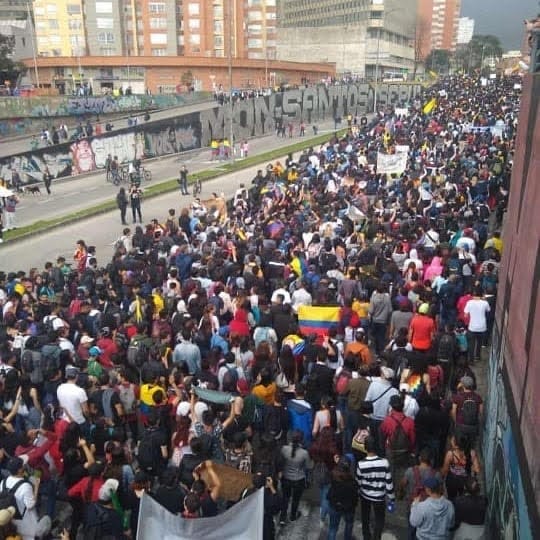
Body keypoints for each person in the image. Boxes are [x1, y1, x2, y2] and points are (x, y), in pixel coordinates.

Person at [356, 435, 395, 540]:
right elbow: (389, 482)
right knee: (379, 520)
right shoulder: (384, 462)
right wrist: (391, 498)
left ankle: (366, 537)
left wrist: (359, 493)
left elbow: (358, 483)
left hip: (365, 496)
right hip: (380, 497)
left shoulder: (361, 464)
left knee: (365, 518)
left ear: (365, 447)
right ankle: (377, 537)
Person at [2, 456, 51, 540]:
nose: (24, 466)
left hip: (12, 521)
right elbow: (30, 505)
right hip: (27, 522)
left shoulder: (3, 482)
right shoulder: (25, 486)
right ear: (19, 470)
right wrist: (36, 487)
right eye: (22, 465)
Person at [279, 430, 313, 525]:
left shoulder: (284, 449)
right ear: (301, 440)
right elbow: (309, 466)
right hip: (299, 479)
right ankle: (293, 515)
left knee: (285, 498)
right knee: (295, 499)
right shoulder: (304, 453)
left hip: (285, 478)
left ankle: (282, 517)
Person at [327, 456, 358, 540]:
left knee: (332, 528)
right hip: (348, 507)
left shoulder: (333, 475)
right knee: (349, 524)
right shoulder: (353, 482)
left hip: (334, 505)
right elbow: (355, 497)